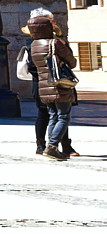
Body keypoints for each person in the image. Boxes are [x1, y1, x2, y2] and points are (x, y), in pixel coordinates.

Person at [23, 9, 79, 160]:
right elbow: (72, 62)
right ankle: (52, 146)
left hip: (43, 85)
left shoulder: (34, 44)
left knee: (53, 115)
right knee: (63, 116)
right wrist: (60, 39)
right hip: (59, 85)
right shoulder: (54, 43)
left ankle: (50, 147)